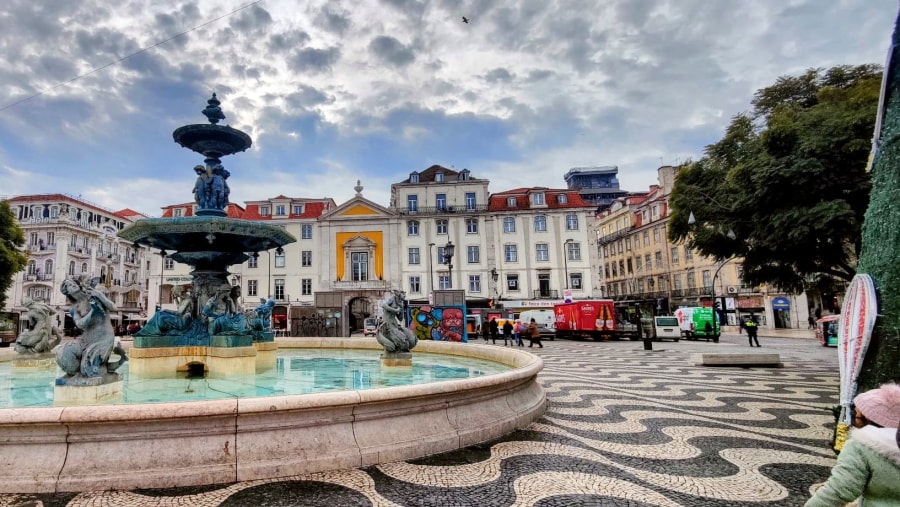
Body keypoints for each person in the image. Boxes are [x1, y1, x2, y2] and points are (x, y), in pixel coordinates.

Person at [805, 383, 900, 506]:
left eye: (857, 417)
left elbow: (836, 492)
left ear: (870, 420)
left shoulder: (861, 447)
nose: (853, 422)